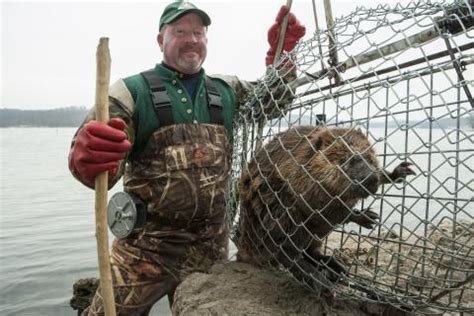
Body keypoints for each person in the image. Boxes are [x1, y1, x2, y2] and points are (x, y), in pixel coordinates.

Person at [68, 1, 305, 315]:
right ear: (161, 41)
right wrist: (86, 157)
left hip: (209, 252)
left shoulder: (227, 89)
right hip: (144, 251)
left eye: (198, 32)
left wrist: (284, 55)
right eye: (180, 32)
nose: (192, 39)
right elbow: (99, 174)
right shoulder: (129, 92)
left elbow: (274, 101)